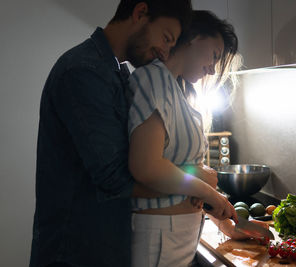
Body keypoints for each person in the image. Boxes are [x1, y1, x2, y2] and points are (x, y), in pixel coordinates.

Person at [30, 1, 192, 267]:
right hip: (74, 253)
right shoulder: (83, 71)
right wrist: (192, 186)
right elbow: (114, 178)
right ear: (140, 13)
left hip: (101, 246)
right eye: (166, 38)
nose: (164, 53)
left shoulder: (116, 72)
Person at [126, 10, 245, 266]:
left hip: (176, 233)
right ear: (192, 37)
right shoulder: (153, 78)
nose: (213, 69)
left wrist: (225, 223)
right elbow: (147, 167)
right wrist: (212, 195)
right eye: (214, 55)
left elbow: (186, 170)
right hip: (159, 234)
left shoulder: (175, 89)